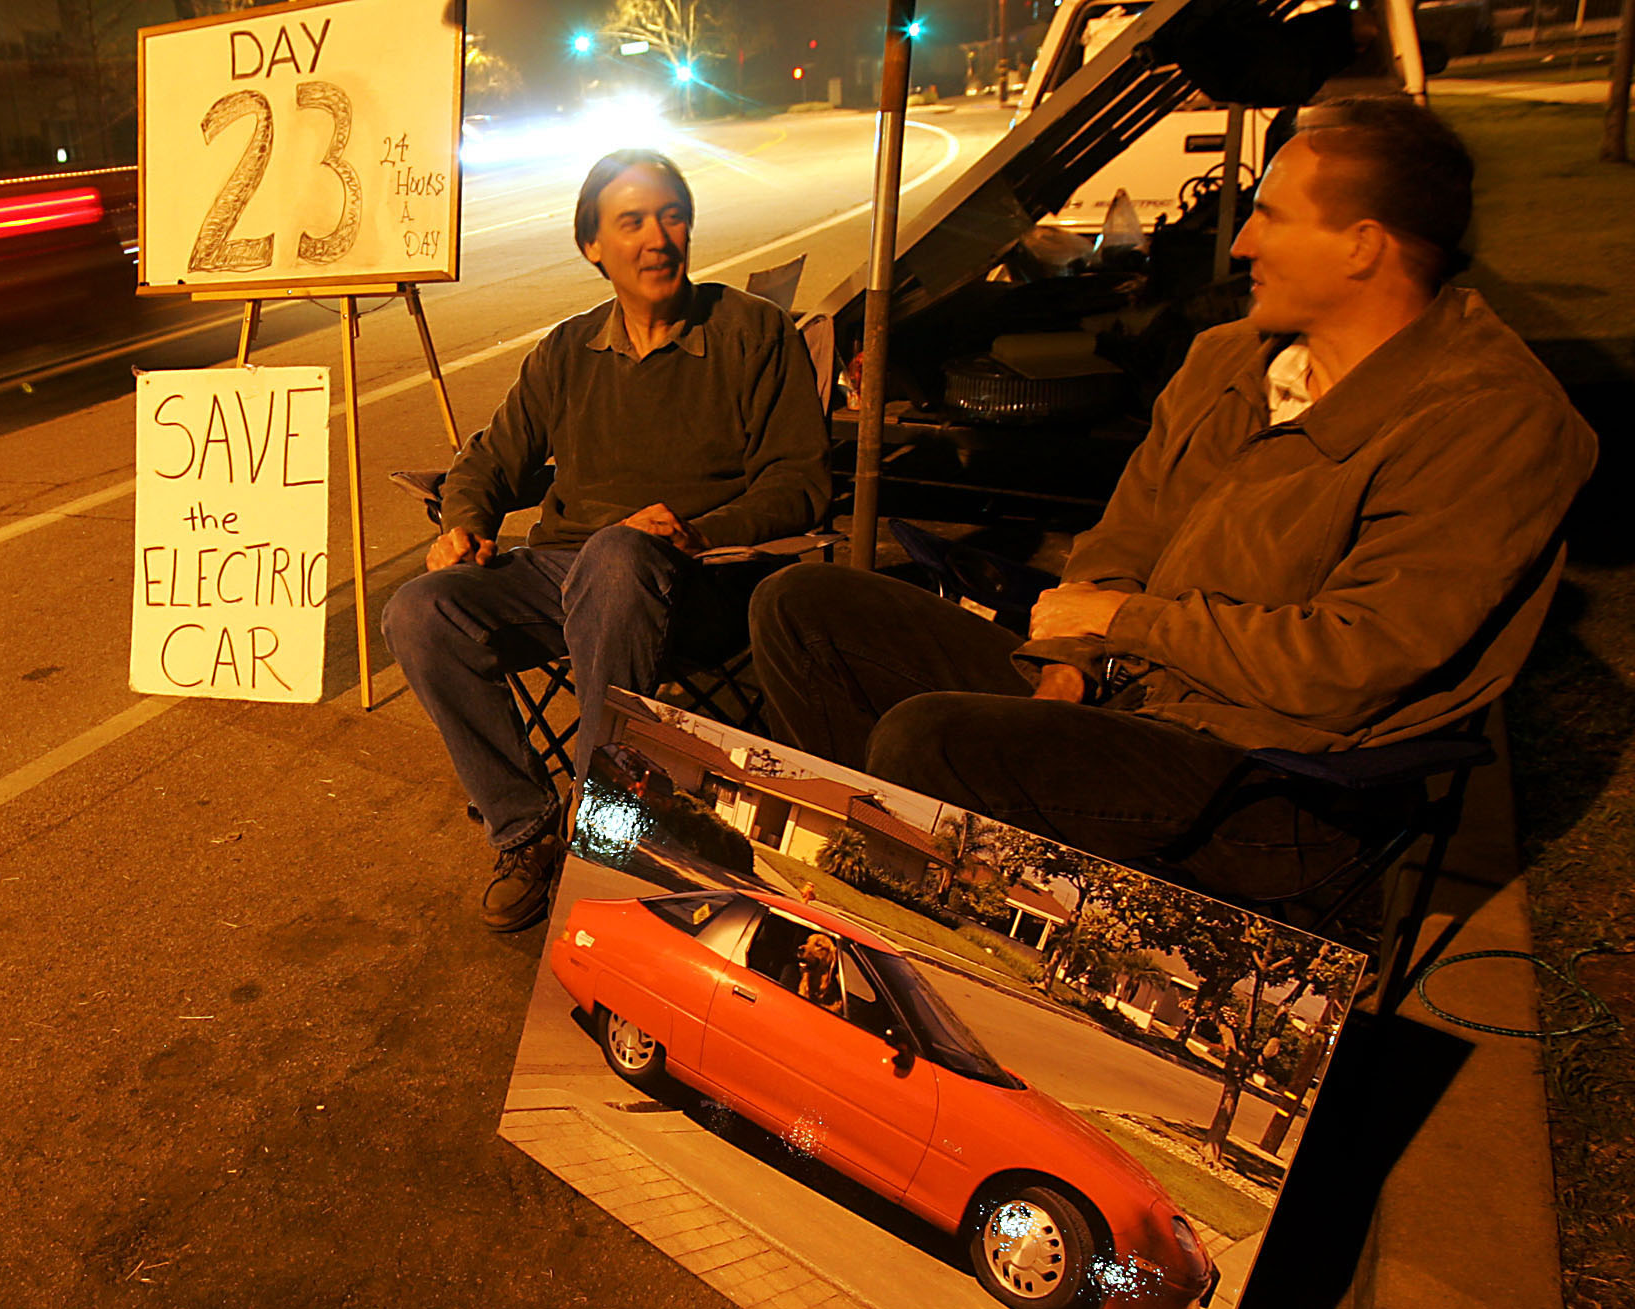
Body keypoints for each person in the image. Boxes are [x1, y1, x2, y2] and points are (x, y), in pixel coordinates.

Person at [748, 97, 1595, 903]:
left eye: (1272, 216)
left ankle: (908, 913)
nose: (1242, 244)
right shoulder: (1229, 360)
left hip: (1272, 780)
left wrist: (1124, 625)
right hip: (1129, 700)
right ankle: (877, 881)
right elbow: (1124, 544)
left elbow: (1351, 664)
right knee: (802, 607)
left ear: (1362, 246)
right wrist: (1068, 665)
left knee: (928, 740)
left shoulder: (1492, 417)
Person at [383, 149, 832, 932]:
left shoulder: (752, 334)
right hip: (565, 575)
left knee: (619, 556)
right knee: (420, 611)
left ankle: (603, 835)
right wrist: (465, 523)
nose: (658, 238)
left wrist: (697, 529)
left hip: (696, 579)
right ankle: (526, 831)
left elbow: (800, 485)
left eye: (672, 216)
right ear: (594, 246)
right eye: (632, 222)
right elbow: (490, 459)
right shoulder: (567, 351)